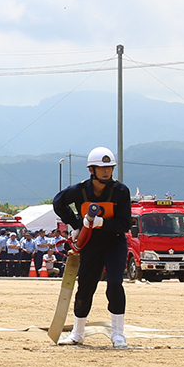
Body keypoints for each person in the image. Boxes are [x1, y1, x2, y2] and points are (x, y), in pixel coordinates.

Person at [52, 146, 133, 348]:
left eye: (110, 168)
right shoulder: (79, 190)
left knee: (115, 284)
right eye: (101, 168)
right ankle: (77, 333)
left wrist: (102, 223)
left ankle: (118, 334)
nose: (107, 171)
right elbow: (58, 203)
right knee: (86, 286)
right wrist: (77, 225)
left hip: (114, 243)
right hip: (90, 244)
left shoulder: (121, 191)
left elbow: (125, 224)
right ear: (91, 170)